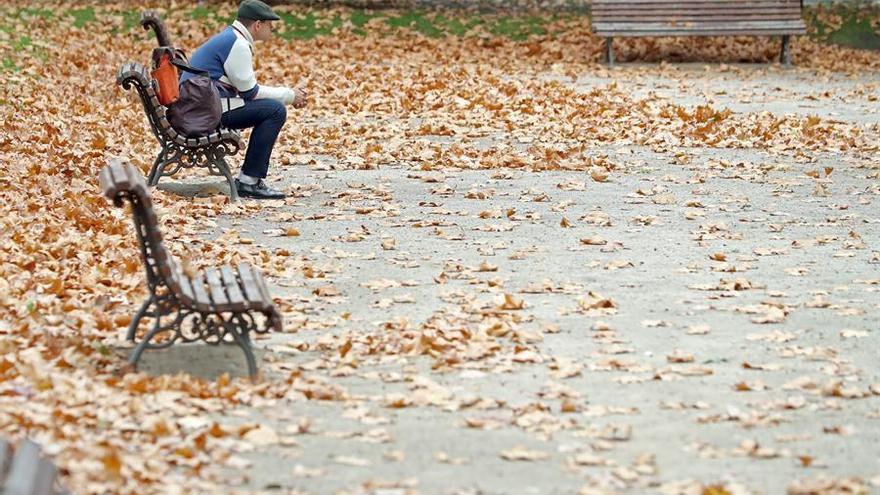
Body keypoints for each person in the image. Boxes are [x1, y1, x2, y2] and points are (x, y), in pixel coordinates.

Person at [183, 0, 307, 199]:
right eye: (270, 24)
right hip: (205, 113)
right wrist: (290, 96)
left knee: (271, 108)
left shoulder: (230, 38)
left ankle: (249, 179)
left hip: (198, 109)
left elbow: (244, 90)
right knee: (275, 111)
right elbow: (251, 93)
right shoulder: (237, 44)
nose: (272, 28)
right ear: (257, 25)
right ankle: (249, 181)